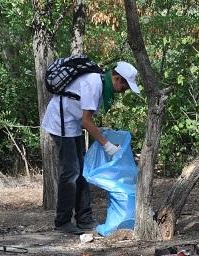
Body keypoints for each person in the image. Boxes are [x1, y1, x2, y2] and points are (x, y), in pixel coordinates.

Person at [41, 60, 140, 235]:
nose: (124, 91)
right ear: (117, 79)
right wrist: (107, 144)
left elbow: (85, 117)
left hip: (73, 124)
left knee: (82, 171)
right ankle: (62, 221)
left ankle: (84, 218)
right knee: (71, 172)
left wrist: (101, 132)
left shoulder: (101, 84)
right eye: (124, 87)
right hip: (60, 124)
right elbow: (87, 121)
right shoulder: (94, 83)